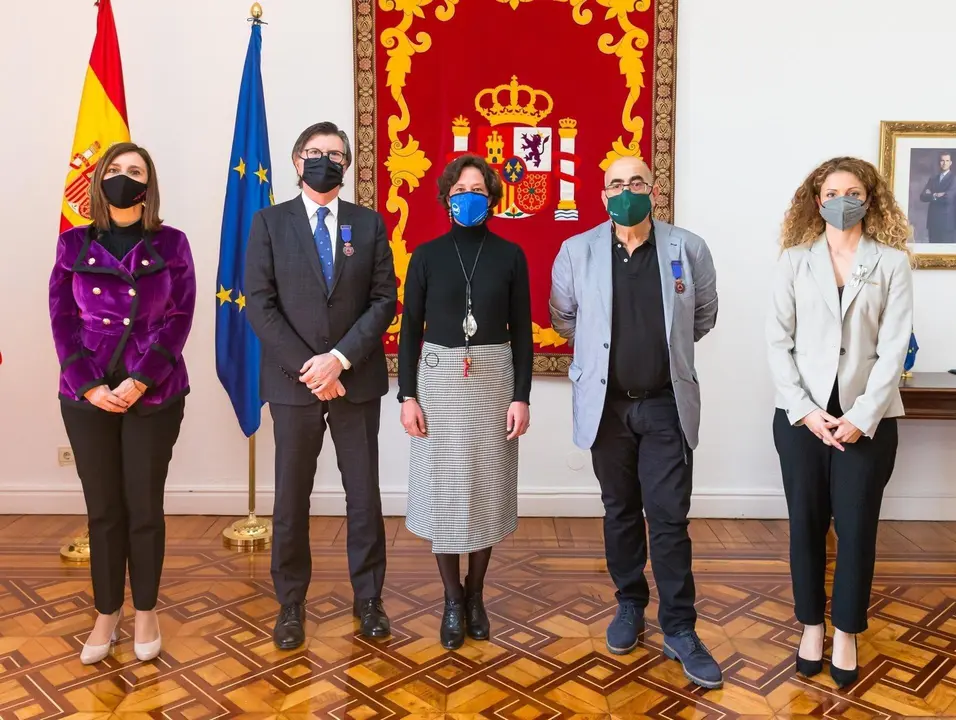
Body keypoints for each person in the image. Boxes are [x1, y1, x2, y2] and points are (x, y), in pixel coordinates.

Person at [549, 156, 721, 689]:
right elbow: (563, 317)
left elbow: (704, 316)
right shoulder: (576, 251)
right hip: (607, 409)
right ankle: (629, 605)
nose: (627, 191)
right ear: (603, 195)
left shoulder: (687, 248)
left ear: (654, 189)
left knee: (668, 517)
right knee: (619, 510)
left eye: (637, 182)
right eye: (617, 184)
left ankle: (680, 628)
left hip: (666, 404)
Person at [245, 122, 397, 650]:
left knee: (364, 496)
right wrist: (310, 368)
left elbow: (384, 301)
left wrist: (338, 360)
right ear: (295, 161)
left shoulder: (369, 224)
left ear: (347, 165)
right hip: (293, 385)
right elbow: (259, 304)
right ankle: (290, 604)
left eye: (335, 154)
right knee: (290, 498)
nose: (324, 160)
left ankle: (369, 600)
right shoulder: (269, 222)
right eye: (314, 152)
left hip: (355, 380)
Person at [767, 156, 913, 688]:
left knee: (855, 530)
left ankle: (847, 631)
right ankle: (810, 625)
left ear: (869, 200)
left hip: (867, 422)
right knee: (805, 525)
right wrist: (805, 411)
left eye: (853, 191)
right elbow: (777, 342)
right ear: (816, 200)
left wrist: (861, 416)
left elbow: (895, 349)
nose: (841, 200)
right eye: (831, 192)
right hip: (801, 420)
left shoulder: (892, 264)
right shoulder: (793, 261)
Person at [49, 142, 196, 664]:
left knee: (143, 507)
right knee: (104, 511)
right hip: (86, 396)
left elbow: (179, 319)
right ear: (99, 181)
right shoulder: (72, 245)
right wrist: (88, 385)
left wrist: (139, 382)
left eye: (135, 171)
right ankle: (107, 612)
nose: (124, 178)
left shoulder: (172, 244)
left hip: (153, 394)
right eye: (115, 170)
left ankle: (148, 610)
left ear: (148, 185)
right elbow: (62, 320)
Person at [397, 154, 532, 650]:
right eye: (459, 190)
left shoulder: (511, 255)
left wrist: (523, 397)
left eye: (477, 188)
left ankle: (477, 593)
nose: (468, 196)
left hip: (494, 379)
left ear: (492, 197)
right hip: (438, 381)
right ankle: (452, 600)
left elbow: (523, 333)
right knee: (446, 493)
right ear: (447, 199)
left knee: (486, 488)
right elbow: (410, 329)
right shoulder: (426, 256)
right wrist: (406, 395)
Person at [919, 151, 956, 243]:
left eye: (947, 161)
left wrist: (931, 195)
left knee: (946, 252)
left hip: (947, 223)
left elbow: (948, 198)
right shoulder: (933, 179)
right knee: (932, 250)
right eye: (942, 160)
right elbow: (923, 196)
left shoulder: (954, 179)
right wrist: (936, 195)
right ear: (939, 162)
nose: (944, 163)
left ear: (950, 163)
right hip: (933, 221)